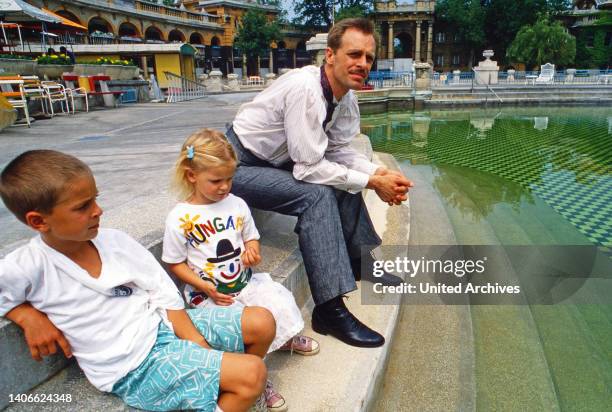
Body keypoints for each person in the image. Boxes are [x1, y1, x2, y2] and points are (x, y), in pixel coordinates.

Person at [0, 150, 276, 412]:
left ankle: (219, 386)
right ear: (38, 221)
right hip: (133, 367)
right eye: (83, 207)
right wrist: (26, 316)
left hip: (161, 328)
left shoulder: (114, 241)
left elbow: (162, 290)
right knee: (252, 374)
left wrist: (193, 341)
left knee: (262, 322)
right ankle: (234, 390)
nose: (98, 211)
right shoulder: (28, 265)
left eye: (96, 199)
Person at [226, 18, 413, 348]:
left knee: (346, 180)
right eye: (354, 54)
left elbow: (340, 150)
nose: (362, 64)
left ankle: (361, 263)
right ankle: (329, 310)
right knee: (317, 196)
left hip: (276, 160)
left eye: (369, 58)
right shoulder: (306, 89)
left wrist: (375, 173)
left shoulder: (346, 96)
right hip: (238, 166)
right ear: (330, 55)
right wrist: (370, 181)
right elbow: (308, 170)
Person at [162, 129, 320, 412]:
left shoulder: (237, 205)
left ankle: (279, 341)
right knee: (235, 326)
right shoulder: (180, 218)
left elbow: (250, 235)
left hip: (243, 283)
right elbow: (174, 263)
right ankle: (259, 379)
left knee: (277, 302)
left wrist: (252, 248)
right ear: (191, 176)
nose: (224, 187)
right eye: (216, 180)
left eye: (229, 179)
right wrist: (201, 284)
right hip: (209, 294)